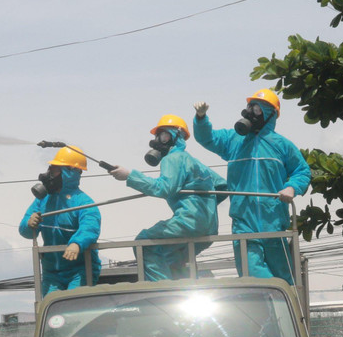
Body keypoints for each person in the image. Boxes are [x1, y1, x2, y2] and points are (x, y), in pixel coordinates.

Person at [193, 89, 311, 283]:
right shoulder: (233, 141)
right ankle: (274, 297)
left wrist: (292, 187)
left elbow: (302, 171)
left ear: (270, 114)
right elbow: (208, 138)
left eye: (257, 109)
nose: (250, 112)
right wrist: (201, 118)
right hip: (243, 220)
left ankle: (285, 305)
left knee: (284, 275)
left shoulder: (282, 145)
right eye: (249, 107)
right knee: (251, 271)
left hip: (274, 220)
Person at [110, 115, 228, 281]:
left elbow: (163, 187)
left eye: (163, 135)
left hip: (188, 222)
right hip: (209, 227)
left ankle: (162, 293)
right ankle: (183, 293)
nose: (158, 140)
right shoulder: (194, 161)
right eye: (157, 136)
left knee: (144, 244)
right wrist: (205, 208)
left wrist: (129, 176)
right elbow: (223, 186)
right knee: (172, 259)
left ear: (176, 136)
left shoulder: (173, 158)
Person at [19, 147, 101, 295]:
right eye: (50, 168)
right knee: (53, 312)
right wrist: (28, 224)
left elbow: (90, 227)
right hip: (52, 273)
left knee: (73, 309)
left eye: (54, 169)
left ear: (69, 172)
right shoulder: (42, 200)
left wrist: (77, 243)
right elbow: (25, 231)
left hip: (80, 270)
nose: (48, 174)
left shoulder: (84, 202)